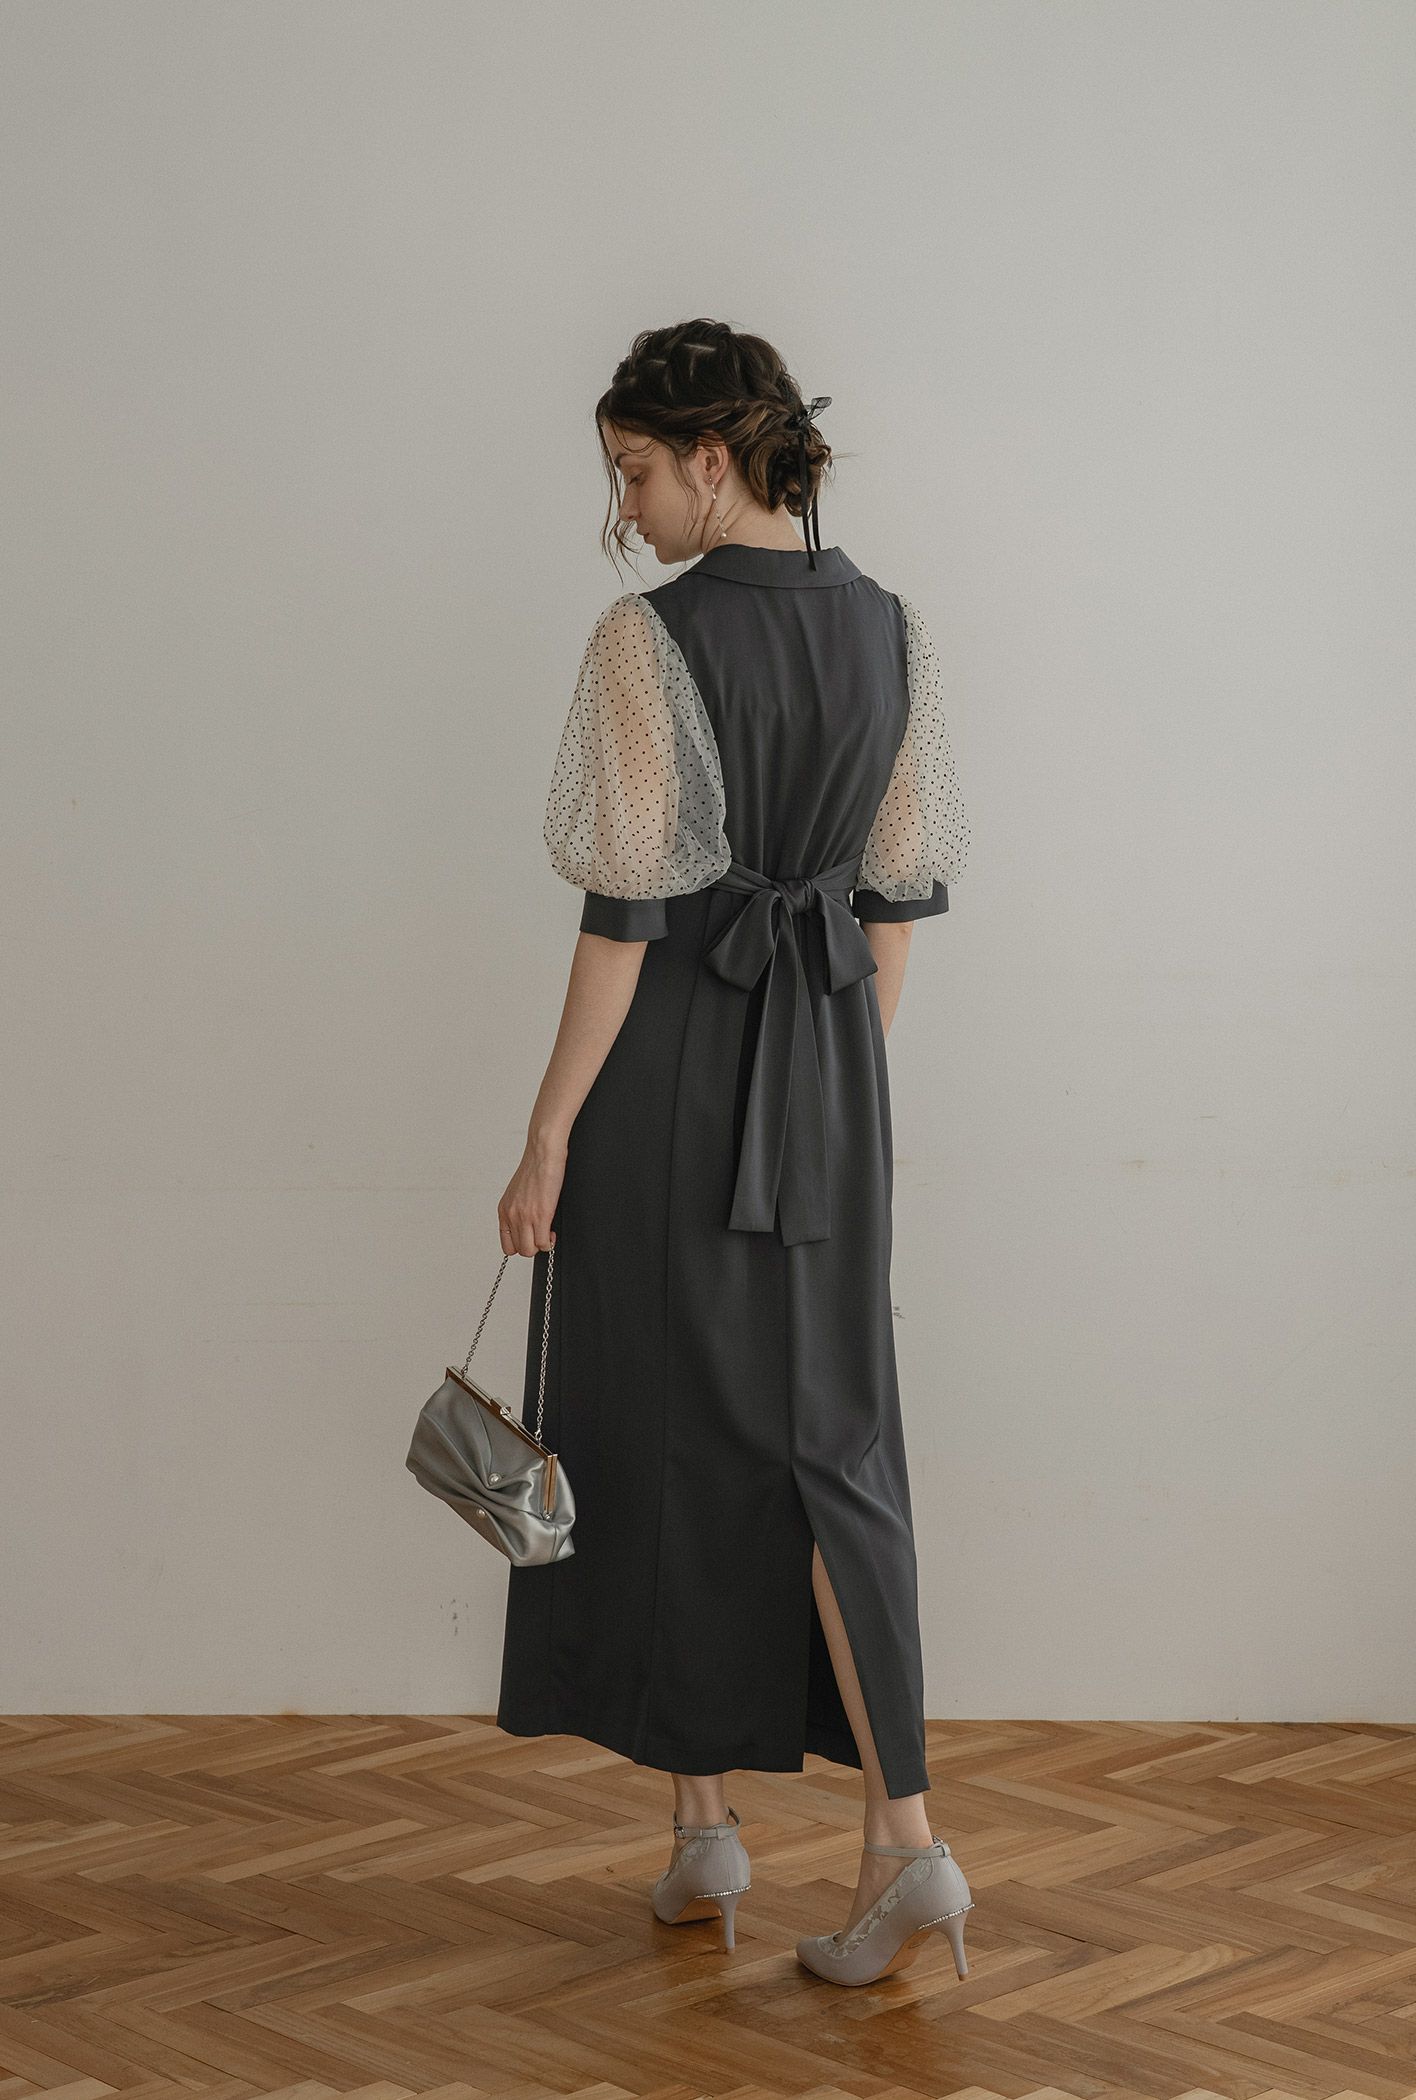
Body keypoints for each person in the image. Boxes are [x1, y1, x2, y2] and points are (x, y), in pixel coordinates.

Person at [493, 319, 974, 1984]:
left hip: (674, 1086)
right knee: (830, 1443)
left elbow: (625, 920)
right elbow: (896, 906)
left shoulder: (650, 641)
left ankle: (839, 1837)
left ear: (715, 459)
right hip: (831, 1081)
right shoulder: (894, 628)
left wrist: (547, 1133)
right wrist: (830, 1092)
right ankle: (783, 1831)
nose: (624, 511)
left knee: (672, 1423)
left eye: (635, 471)